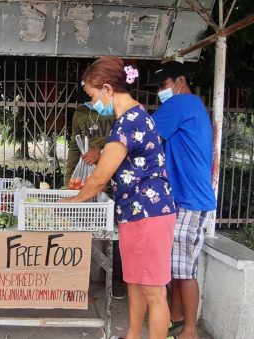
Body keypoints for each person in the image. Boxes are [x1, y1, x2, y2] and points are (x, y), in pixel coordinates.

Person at [59, 56, 176, 339]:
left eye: (92, 95)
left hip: (151, 214)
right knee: (135, 283)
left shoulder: (130, 121)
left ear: (108, 89)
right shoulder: (127, 119)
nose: (94, 102)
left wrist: (71, 203)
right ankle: (133, 336)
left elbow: (99, 178)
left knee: (154, 292)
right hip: (133, 213)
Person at [148, 62, 217, 339]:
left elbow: (144, 133)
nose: (161, 93)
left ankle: (189, 330)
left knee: (185, 269)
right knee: (175, 266)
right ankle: (176, 317)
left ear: (180, 81)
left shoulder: (183, 102)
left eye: (164, 87)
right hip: (183, 197)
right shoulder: (191, 106)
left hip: (190, 199)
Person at [64, 91, 128, 300]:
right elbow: (75, 146)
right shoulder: (81, 113)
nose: (93, 100)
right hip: (85, 180)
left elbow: (126, 144)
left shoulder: (118, 112)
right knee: (78, 228)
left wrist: (100, 152)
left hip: (116, 180)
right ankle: (74, 279)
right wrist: (69, 180)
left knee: (115, 234)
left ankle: (116, 279)